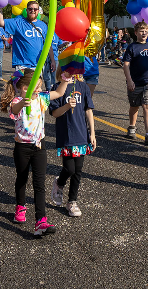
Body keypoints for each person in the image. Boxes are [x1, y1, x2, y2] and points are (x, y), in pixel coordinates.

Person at [1, 68, 70, 236]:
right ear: (23, 88)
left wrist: (65, 79)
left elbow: (60, 92)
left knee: (39, 184)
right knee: (22, 178)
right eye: (36, 87)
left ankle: (41, 221)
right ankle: (20, 207)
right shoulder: (17, 101)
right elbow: (15, 110)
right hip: (22, 148)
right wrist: (23, 101)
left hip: (39, 146)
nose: (39, 89)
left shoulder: (42, 98)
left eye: (40, 86)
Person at [49, 74, 96, 217]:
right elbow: (55, 113)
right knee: (69, 169)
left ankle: (72, 201)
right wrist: (67, 106)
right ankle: (59, 182)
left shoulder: (83, 87)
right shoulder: (58, 88)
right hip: (66, 136)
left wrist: (92, 133)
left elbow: (88, 110)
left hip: (81, 135)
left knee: (78, 171)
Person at [122, 21, 148, 144]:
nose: (144, 33)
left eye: (146, 31)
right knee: (134, 106)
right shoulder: (132, 47)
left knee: (147, 106)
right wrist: (129, 81)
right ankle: (132, 128)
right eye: (141, 31)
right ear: (136, 33)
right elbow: (126, 65)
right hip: (134, 82)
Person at [0, 0, 55, 74]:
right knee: (21, 85)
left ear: (38, 11)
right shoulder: (18, 22)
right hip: (22, 64)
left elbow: (48, 44)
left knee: (37, 86)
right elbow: (1, 22)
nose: (33, 11)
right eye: (30, 9)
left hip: (38, 65)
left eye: (35, 9)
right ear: (26, 10)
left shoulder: (43, 25)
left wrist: (52, 60)